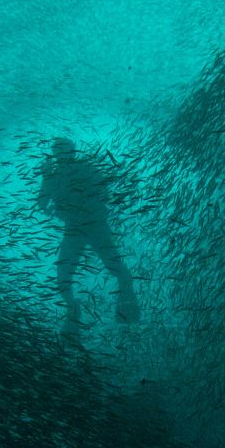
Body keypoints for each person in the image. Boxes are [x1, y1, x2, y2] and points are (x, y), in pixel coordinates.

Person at [34, 136, 139, 331]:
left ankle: (128, 308)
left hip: (96, 226)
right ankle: (72, 310)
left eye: (64, 148)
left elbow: (103, 193)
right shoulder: (53, 175)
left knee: (116, 267)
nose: (60, 153)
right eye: (57, 149)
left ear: (72, 150)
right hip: (73, 230)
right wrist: (46, 177)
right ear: (54, 153)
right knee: (63, 275)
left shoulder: (86, 167)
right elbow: (42, 202)